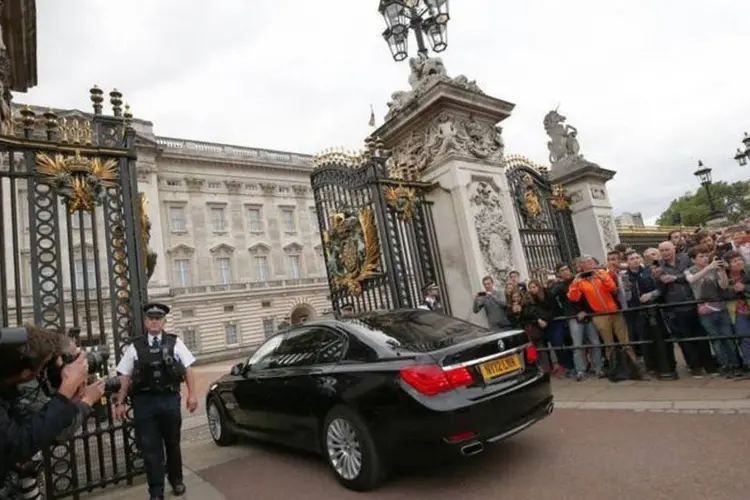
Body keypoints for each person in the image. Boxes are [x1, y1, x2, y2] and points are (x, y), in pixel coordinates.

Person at [113, 303, 198, 500]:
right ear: (145, 322)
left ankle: (176, 480)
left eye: (158, 318)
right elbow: (124, 375)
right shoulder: (135, 346)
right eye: (150, 318)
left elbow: (188, 369)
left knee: (172, 444)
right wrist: (120, 402)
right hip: (144, 403)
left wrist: (192, 394)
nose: (154, 321)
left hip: (169, 400)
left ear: (164, 321)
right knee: (151, 449)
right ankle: (156, 491)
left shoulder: (175, 342)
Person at [0, 325, 103, 488]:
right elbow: (20, 442)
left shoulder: (8, 392)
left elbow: (27, 425)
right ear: (27, 373)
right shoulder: (26, 387)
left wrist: (70, 400)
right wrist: (70, 396)